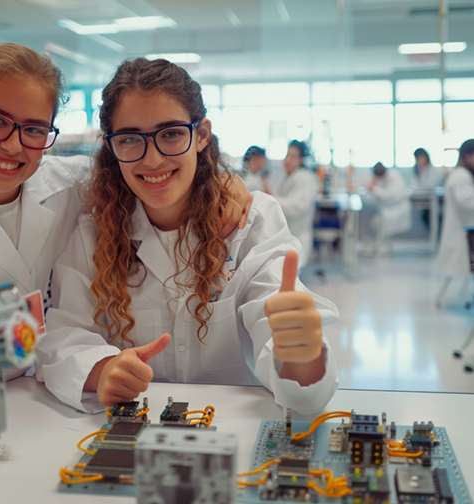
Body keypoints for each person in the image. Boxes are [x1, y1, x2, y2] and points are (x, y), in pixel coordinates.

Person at [36, 58, 338, 415]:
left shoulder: (250, 222)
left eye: (171, 134)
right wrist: (101, 369)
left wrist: (302, 354)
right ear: (111, 147)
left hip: (229, 429)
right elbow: (64, 334)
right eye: (131, 139)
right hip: (132, 429)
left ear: (201, 135)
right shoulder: (92, 233)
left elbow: (300, 377)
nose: (152, 159)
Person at [0, 43, 252, 303]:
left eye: (33, 128)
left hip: (51, 388)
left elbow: (146, 171)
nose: (13, 145)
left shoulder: (68, 182)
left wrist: (222, 182)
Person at [265, 140, 318, 266]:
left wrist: (271, 199)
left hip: (297, 237)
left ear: (301, 160)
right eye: (287, 155)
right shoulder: (288, 176)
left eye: (292, 157)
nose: (287, 160)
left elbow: (297, 207)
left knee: (289, 278)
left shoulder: (304, 178)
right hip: (286, 236)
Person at [435, 139, 474, 294]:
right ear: (466, 156)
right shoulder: (460, 176)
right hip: (463, 232)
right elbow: (467, 202)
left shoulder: (463, 174)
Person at [366, 162, 411, 252]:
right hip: (387, 209)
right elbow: (371, 197)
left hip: (397, 208)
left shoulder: (394, 176)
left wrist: (374, 189)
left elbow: (391, 196)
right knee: (375, 223)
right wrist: (372, 188)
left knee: (382, 224)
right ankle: (380, 246)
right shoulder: (378, 178)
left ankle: (382, 247)